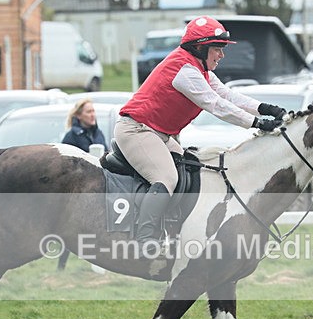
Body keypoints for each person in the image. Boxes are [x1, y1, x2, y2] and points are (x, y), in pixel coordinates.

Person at [115, 16, 287, 249]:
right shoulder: (185, 71)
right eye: (217, 49)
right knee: (166, 178)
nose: (222, 55)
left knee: (193, 169)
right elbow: (216, 105)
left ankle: (174, 229)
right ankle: (145, 238)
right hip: (137, 130)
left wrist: (265, 108)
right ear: (200, 48)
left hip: (156, 134)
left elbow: (228, 95)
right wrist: (257, 123)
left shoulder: (199, 69)